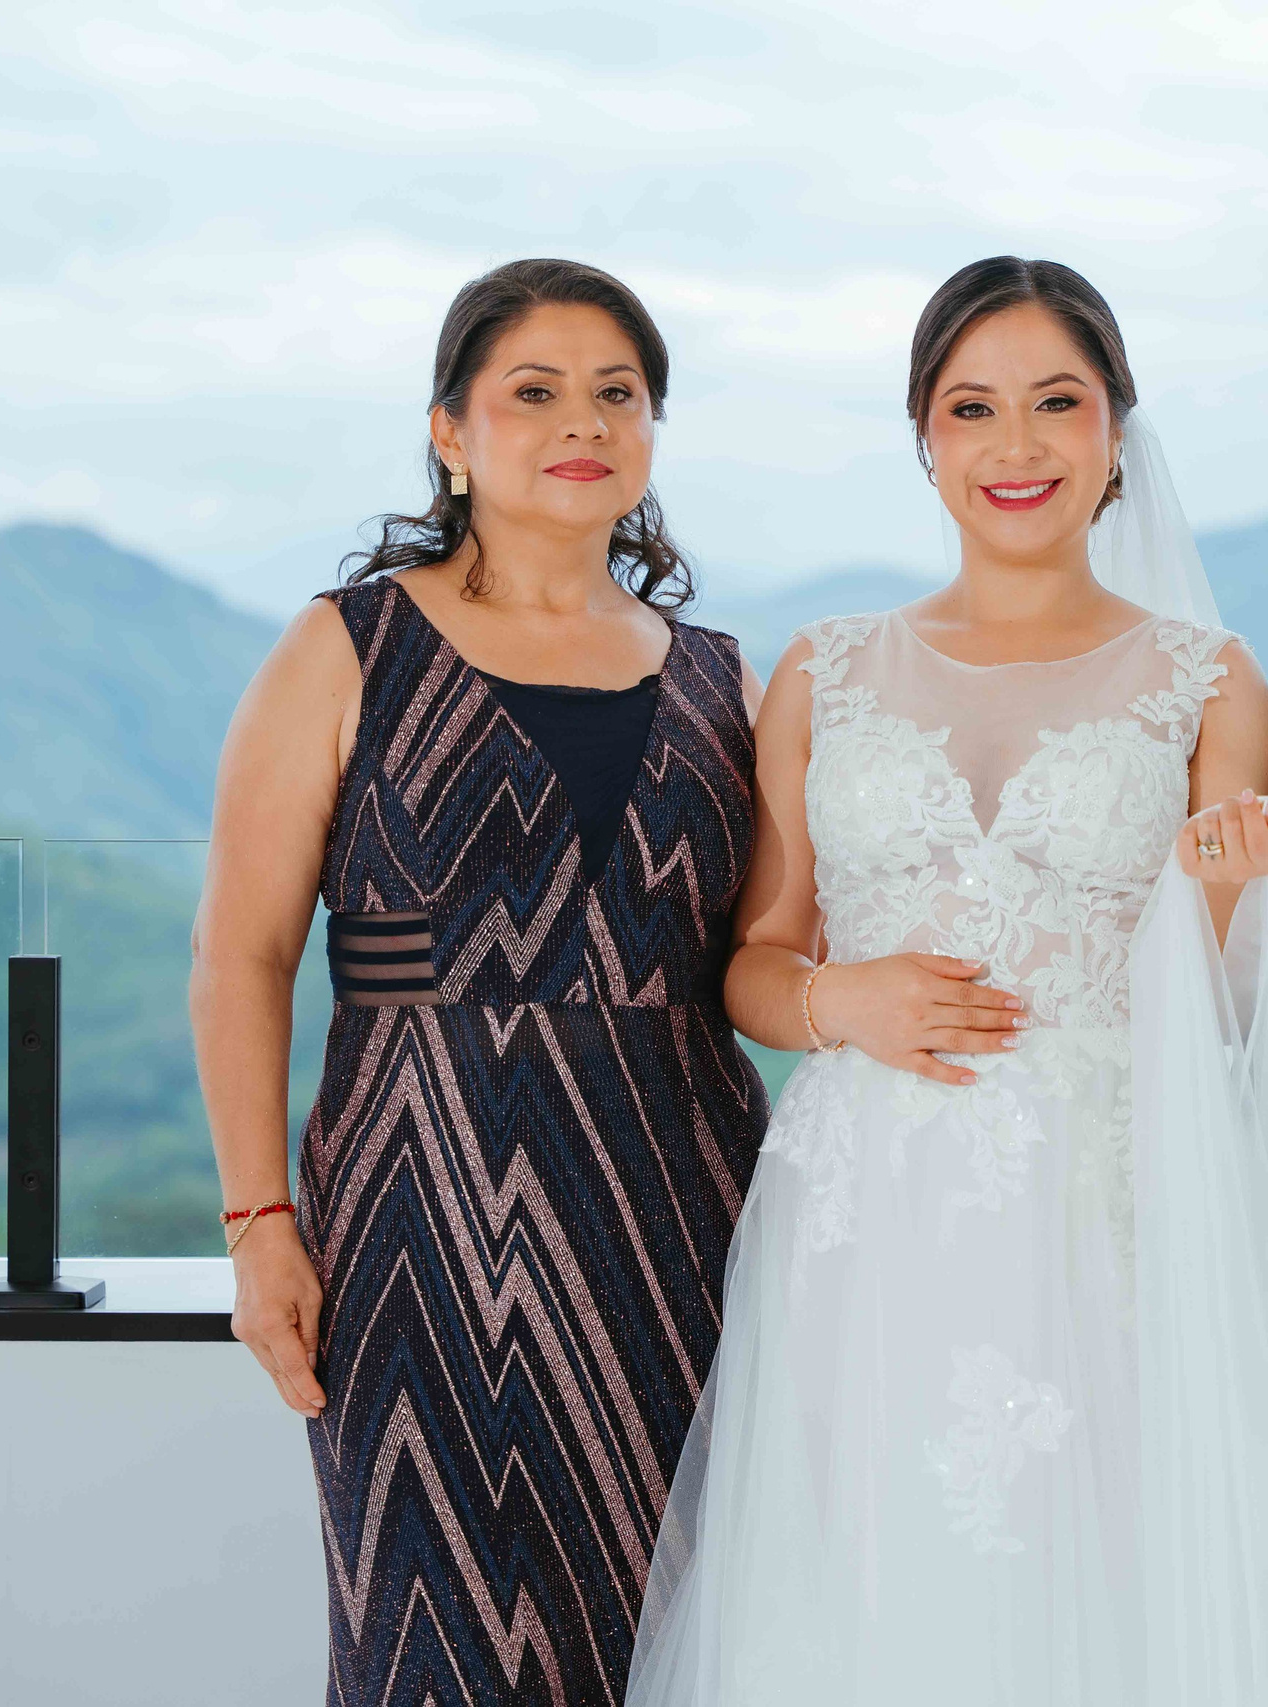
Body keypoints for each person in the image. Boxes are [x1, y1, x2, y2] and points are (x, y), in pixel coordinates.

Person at [625, 257, 1268, 1707]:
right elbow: (756, 960)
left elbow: (1240, 1023)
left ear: (1117, 432)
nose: (1016, 444)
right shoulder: (824, 671)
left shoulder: (1207, 681)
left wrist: (1242, 899)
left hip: (1112, 1220)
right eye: (973, 408)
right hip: (868, 1229)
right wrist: (837, 1005)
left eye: (1057, 402)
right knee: (865, 1601)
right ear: (924, 438)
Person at [191, 258, 770, 1705]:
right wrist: (260, 1219)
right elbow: (241, 955)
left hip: (678, 1234)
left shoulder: (722, 678)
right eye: (535, 391)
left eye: (617, 394)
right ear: (451, 429)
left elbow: (770, 958)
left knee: (674, 1642)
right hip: (414, 1230)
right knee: (426, 1642)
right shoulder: (346, 649)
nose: (583, 421)